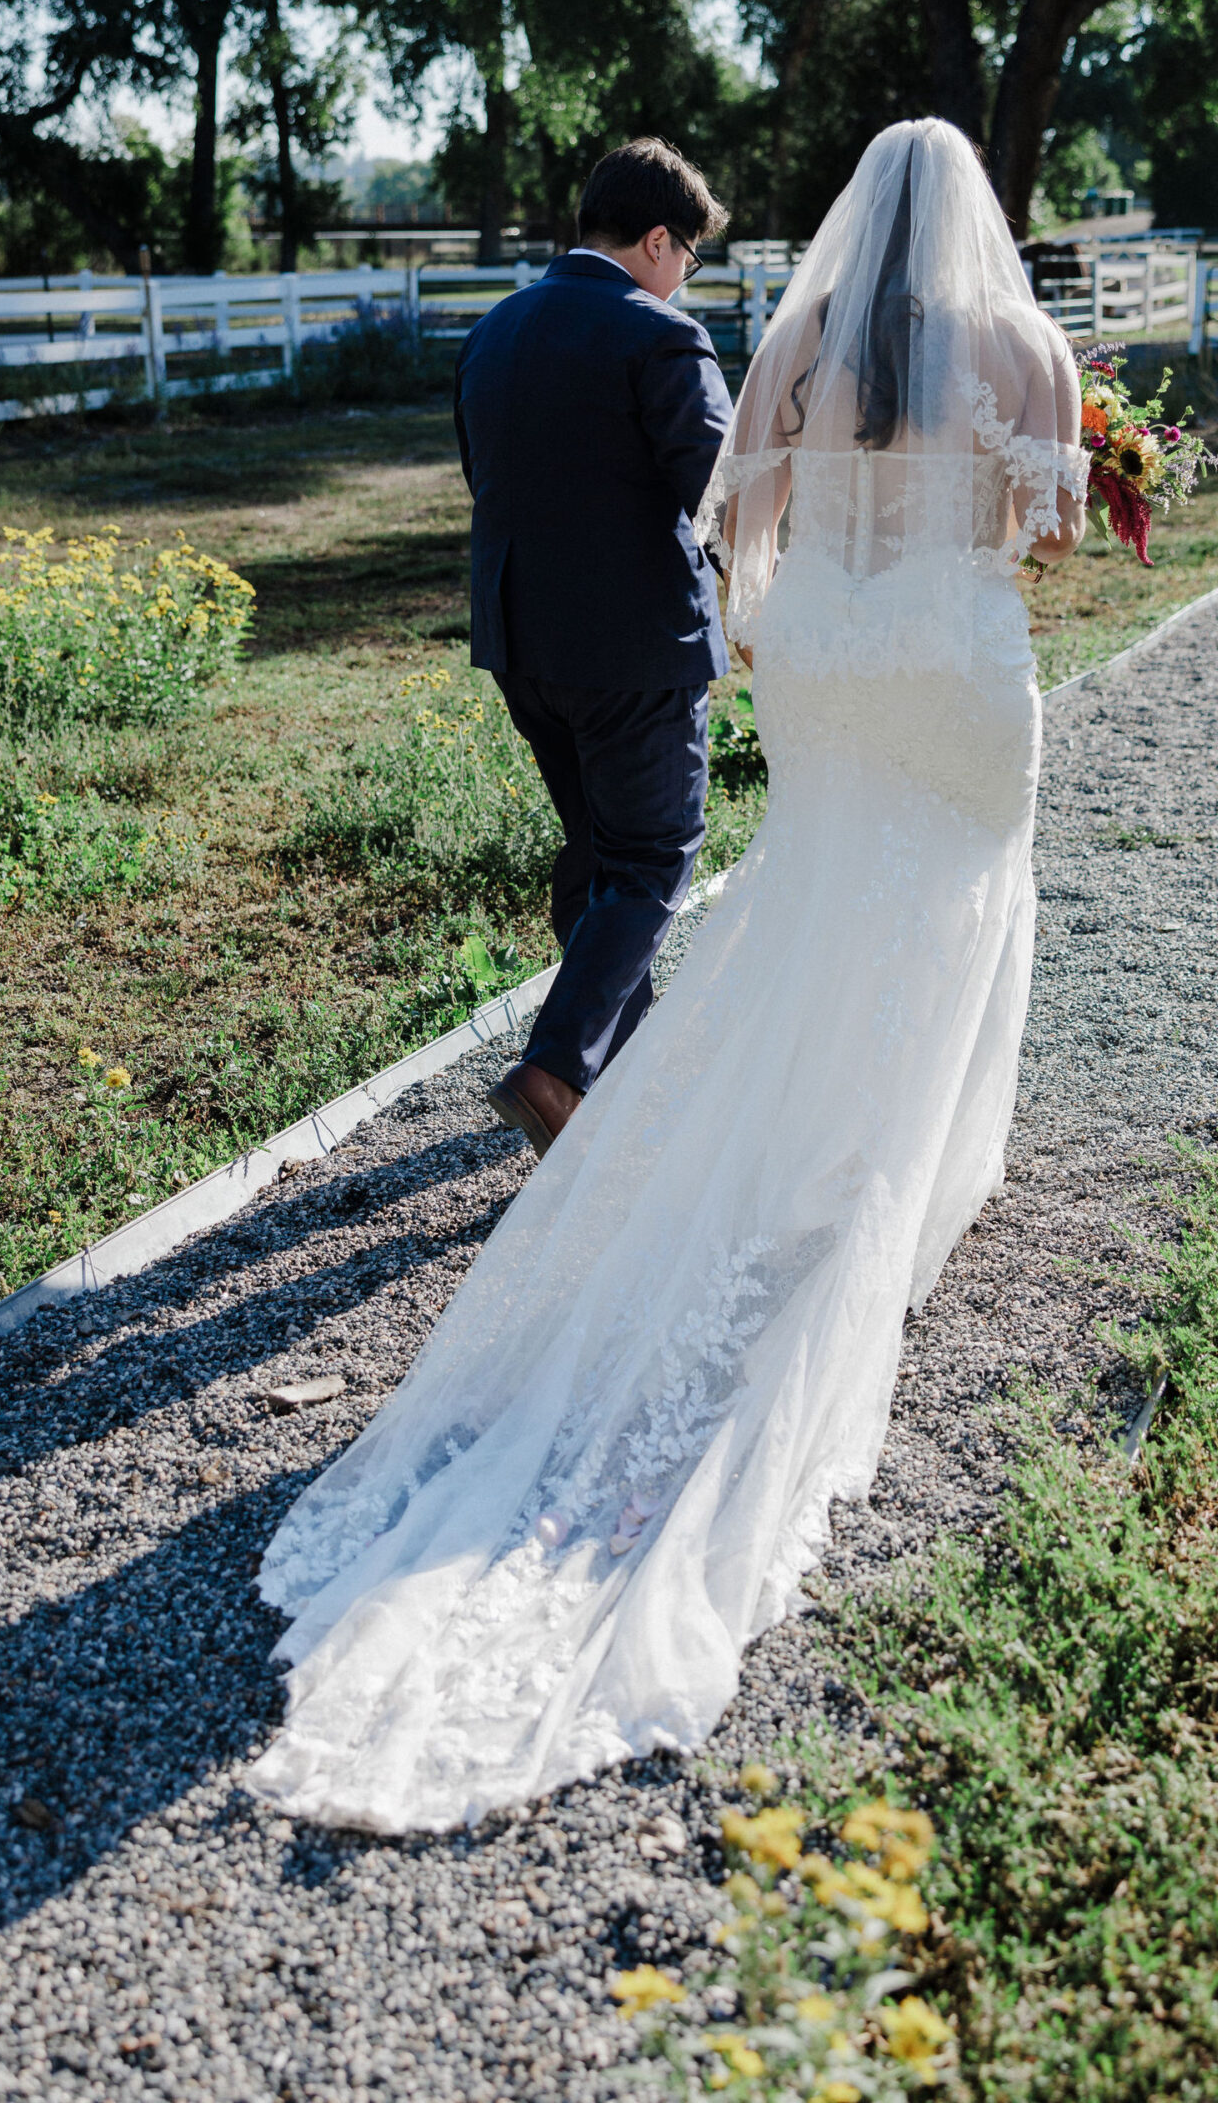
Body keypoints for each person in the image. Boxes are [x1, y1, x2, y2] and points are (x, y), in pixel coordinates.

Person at [248, 120, 1087, 1836]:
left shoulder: (793, 332)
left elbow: (737, 519)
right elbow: (1042, 527)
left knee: (801, 908)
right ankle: (904, 1165)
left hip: (830, 664)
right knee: (954, 894)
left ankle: (755, 1147)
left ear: (866, 218)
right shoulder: (1025, 345)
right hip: (952, 657)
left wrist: (798, 606)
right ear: (979, 222)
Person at [453, 138, 734, 1159]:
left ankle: (624, 1066)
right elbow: (722, 493)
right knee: (655, 855)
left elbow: (490, 482)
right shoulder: (660, 335)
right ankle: (558, 1070)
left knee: (596, 852)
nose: (685, 275)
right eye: (688, 255)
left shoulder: (492, 332)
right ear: (658, 239)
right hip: (638, 649)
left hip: (525, 642)